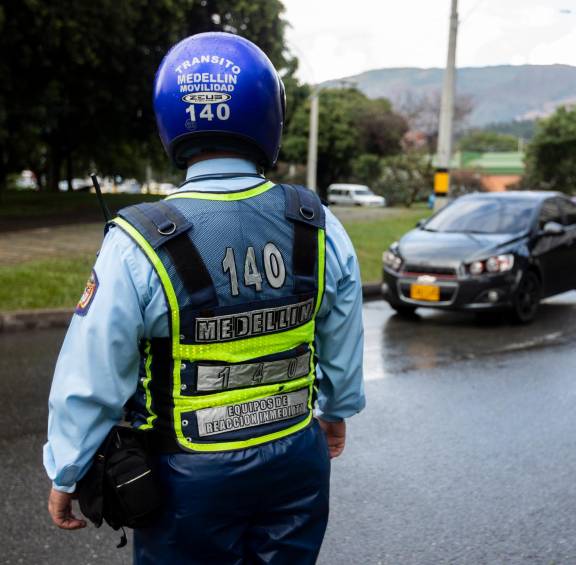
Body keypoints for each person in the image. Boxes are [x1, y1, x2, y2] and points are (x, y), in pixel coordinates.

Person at [43, 32, 365, 564]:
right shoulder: (317, 223)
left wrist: (68, 468)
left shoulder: (138, 240)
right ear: (270, 116)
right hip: (297, 461)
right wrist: (337, 408)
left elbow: (93, 367)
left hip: (188, 480)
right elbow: (343, 329)